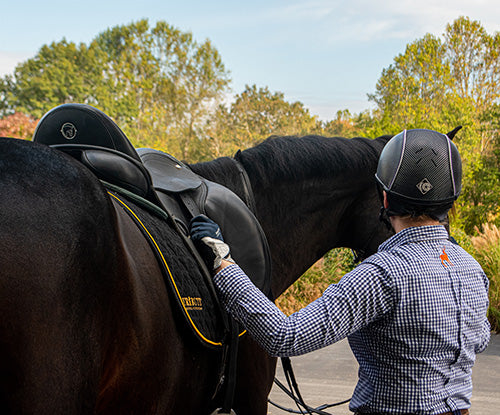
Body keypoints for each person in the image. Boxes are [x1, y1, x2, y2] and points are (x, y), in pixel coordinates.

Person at [189, 129, 490, 415]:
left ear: (384, 199)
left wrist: (222, 260)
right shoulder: (473, 271)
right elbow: (480, 339)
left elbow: (284, 336)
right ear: (451, 201)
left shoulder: (380, 275)